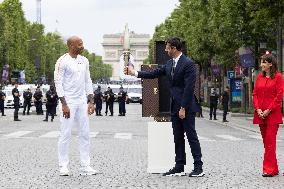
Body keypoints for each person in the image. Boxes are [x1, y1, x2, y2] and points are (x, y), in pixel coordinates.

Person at [124, 37, 204, 177]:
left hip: (186, 106)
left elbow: (189, 88)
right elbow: (153, 74)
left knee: (191, 136)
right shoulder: (169, 64)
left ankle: (198, 167)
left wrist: (183, 108)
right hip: (174, 106)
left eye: (167, 48)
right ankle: (179, 166)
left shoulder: (188, 64)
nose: (165, 50)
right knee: (177, 137)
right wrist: (134, 73)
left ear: (174, 48)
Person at [54, 36, 97, 176]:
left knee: (85, 134)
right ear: (71, 45)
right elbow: (58, 83)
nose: (82, 46)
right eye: (80, 44)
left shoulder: (84, 60)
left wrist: (91, 101)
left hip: (81, 101)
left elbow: (87, 81)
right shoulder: (62, 61)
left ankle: (85, 166)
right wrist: (64, 104)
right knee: (65, 134)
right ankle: (63, 166)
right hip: (68, 102)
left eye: (82, 43)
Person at [252, 53, 283, 177]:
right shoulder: (259, 77)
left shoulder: (278, 77)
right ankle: (274, 168)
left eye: (264, 62)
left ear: (271, 64)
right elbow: (255, 94)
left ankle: (268, 169)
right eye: (261, 62)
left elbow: (279, 96)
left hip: (272, 115)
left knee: (270, 142)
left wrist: (268, 110)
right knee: (266, 143)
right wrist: (258, 108)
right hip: (260, 114)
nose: (261, 64)